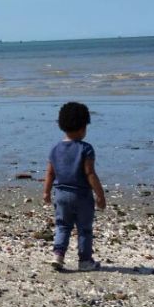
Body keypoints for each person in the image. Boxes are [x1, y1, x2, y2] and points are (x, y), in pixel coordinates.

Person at [43, 101, 106, 271]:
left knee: (62, 225)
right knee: (84, 229)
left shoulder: (55, 149)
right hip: (82, 196)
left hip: (61, 194)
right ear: (82, 127)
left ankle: (58, 254)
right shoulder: (86, 149)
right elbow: (90, 173)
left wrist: (46, 192)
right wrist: (100, 195)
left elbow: (50, 173)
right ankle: (85, 261)